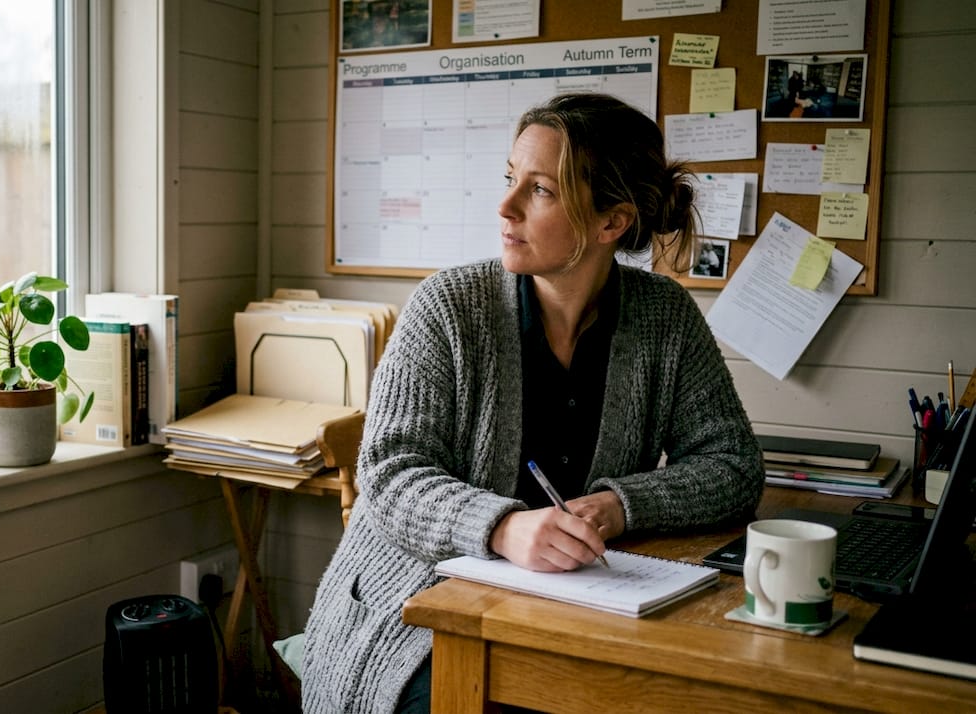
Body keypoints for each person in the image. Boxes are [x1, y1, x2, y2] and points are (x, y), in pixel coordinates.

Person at [300, 92, 764, 714]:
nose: (506, 206)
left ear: (611, 222)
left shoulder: (665, 319)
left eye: (539, 189)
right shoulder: (448, 308)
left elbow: (733, 465)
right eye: (510, 179)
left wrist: (621, 507)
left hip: (579, 609)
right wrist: (503, 527)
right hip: (411, 615)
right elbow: (387, 476)